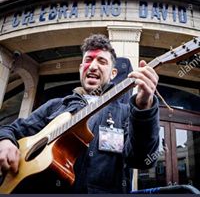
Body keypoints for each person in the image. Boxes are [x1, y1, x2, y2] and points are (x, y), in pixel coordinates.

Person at [0, 34, 160, 193]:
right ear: (80, 68)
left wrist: (145, 108)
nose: (93, 66)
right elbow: (11, 130)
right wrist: (5, 140)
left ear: (113, 73)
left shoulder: (127, 113)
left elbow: (142, 159)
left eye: (102, 61)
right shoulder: (55, 106)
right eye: (88, 60)